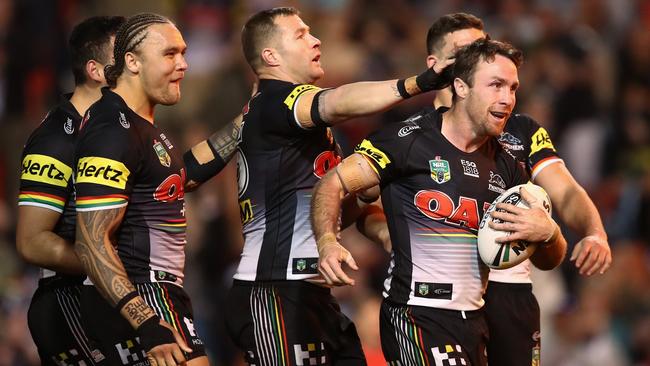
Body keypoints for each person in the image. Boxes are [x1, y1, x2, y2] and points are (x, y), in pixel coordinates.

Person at [311, 38, 568, 365]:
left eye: (513, 88)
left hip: (474, 320)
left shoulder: (507, 163)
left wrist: (549, 233)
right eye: (496, 86)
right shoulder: (406, 140)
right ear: (461, 87)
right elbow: (333, 182)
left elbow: (548, 260)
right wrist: (327, 240)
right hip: (415, 315)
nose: (507, 99)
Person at [220, 6, 452, 365]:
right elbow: (340, 101)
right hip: (274, 291)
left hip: (312, 296)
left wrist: (386, 225)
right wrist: (417, 84)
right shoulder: (276, 101)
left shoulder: (303, 130)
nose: (315, 41)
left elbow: (327, 210)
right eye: (300, 35)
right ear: (270, 56)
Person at [421, 13, 612, 366]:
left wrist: (595, 232)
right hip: (438, 299)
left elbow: (566, 191)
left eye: (481, 48)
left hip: (509, 291)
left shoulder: (522, 131)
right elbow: (366, 201)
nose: (476, 57)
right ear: (435, 65)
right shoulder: (411, 135)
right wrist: (387, 234)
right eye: (465, 50)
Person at [73, 13, 208, 366]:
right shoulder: (113, 130)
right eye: (169, 54)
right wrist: (146, 321)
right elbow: (90, 240)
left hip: (156, 291)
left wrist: (244, 124)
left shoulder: (140, 126)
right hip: (143, 292)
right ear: (131, 61)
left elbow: (176, 179)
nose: (184, 64)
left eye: (183, 53)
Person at [16, 16, 125, 365]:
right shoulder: (56, 139)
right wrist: (108, 268)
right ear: (95, 70)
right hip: (68, 301)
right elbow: (32, 241)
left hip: (110, 299)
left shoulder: (119, 130)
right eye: (124, 54)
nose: (136, 62)